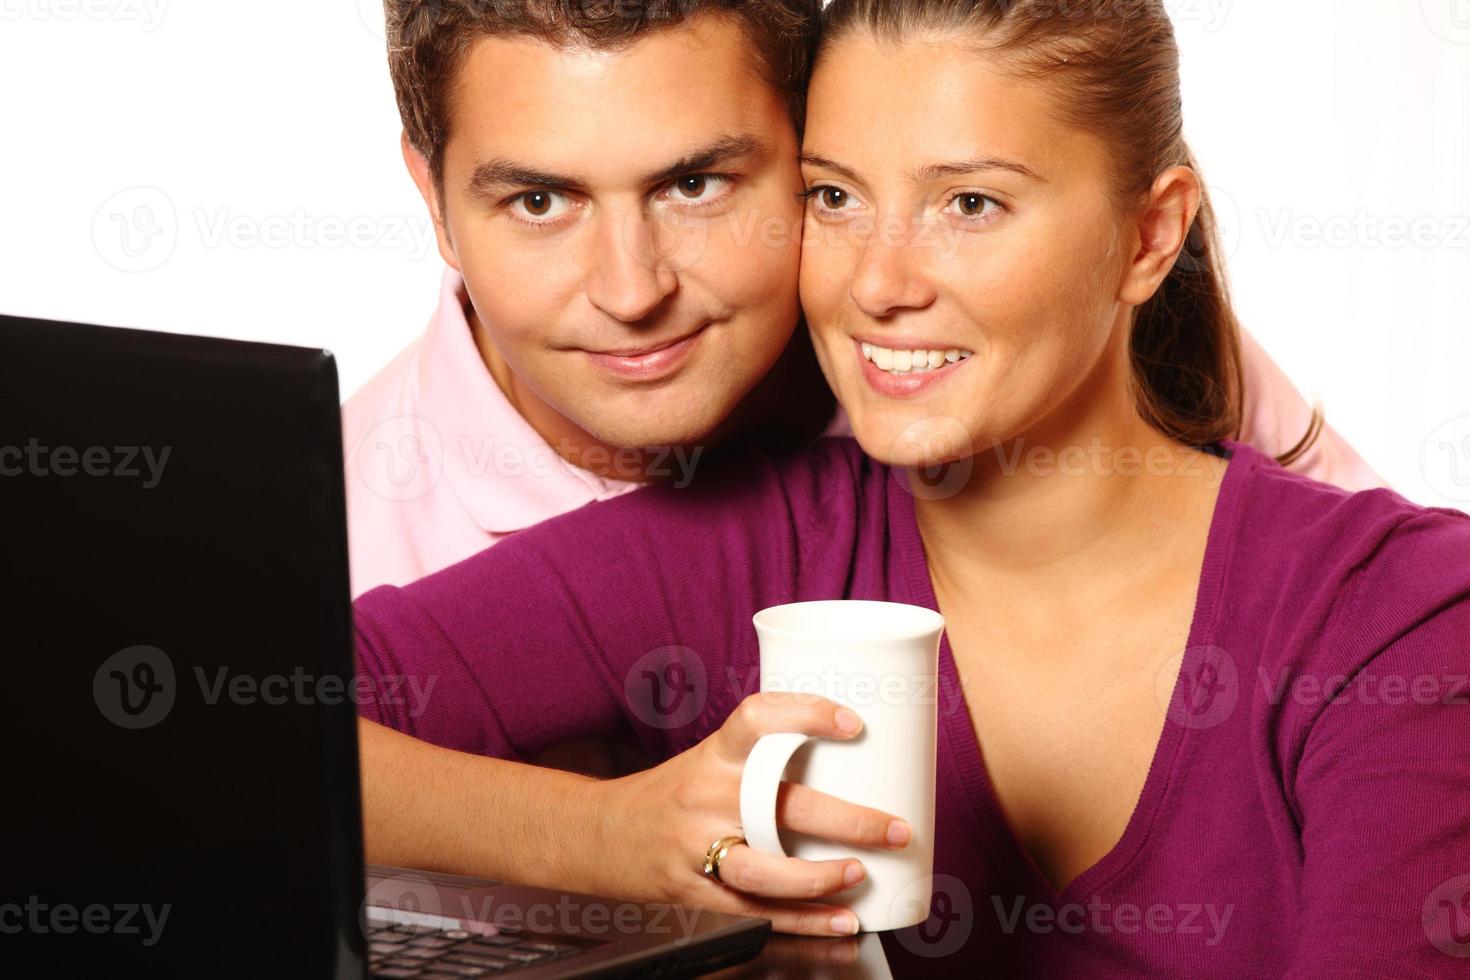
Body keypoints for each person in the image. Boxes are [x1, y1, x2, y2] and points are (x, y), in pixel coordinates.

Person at [353, 2, 1470, 975]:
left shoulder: (1392, 605)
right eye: (836, 198)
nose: (879, 284)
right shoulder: (748, 539)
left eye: (970, 204)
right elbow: (257, 713)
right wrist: (604, 833)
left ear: (1149, 234)